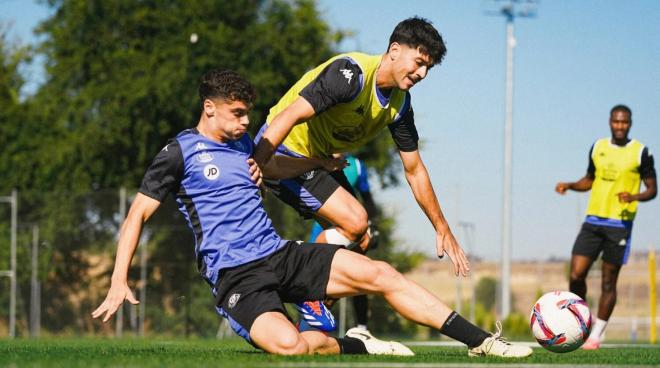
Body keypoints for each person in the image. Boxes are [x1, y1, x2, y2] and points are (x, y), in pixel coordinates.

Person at [92, 69, 532, 358]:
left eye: (249, 113)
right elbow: (136, 217)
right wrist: (118, 279)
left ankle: (482, 343)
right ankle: (351, 346)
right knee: (291, 348)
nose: (248, 122)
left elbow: (276, 166)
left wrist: (317, 164)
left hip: (282, 255)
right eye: (238, 113)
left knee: (381, 274)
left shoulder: (247, 146)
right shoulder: (179, 153)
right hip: (236, 277)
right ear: (210, 108)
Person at [253, 16, 470, 337]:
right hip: (284, 152)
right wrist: (257, 166)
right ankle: (297, 282)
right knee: (355, 222)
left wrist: (442, 227)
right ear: (395, 50)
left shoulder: (399, 105)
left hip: (317, 162)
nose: (422, 73)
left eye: (428, 68)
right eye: (420, 62)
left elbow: (414, 169)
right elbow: (290, 115)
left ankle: (309, 305)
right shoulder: (350, 75)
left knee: (362, 237)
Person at [555, 104, 656, 350]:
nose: (620, 126)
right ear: (610, 122)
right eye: (616, 121)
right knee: (576, 274)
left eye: (624, 122)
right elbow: (589, 180)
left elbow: (652, 189)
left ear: (629, 123)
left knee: (608, 283)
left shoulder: (641, 152)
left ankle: (597, 335)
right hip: (593, 221)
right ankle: (583, 321)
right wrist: (569, 185)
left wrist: (634, 197)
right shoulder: (598, 147)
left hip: (619, 225)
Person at [303, 154, 378, 335]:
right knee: (315, 281)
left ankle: (362, 329)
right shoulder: (315, 158)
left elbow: (367, 198)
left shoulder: (358, 166)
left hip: (352, 230)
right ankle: (307, 328)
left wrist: (374, 226)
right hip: (322, 232)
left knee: (358, 275)